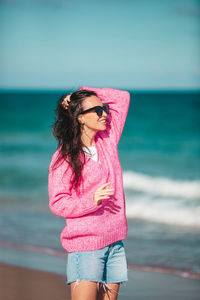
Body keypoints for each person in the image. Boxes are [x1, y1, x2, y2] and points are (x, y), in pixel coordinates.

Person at [48, 86, 130, 300]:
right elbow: (57, 203)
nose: (103, 113)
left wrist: (82, 92)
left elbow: (122, 98)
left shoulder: (108, 140)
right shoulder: (64, 156)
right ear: (80, 118)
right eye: (96, 110)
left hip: (115, 243)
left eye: (103, 108)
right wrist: (90, 201)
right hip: (86, 247)